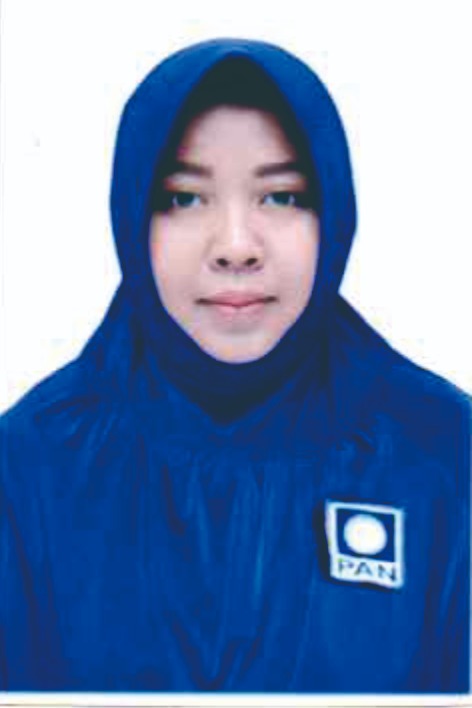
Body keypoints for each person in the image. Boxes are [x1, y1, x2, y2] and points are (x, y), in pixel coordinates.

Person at [0, 38, 469, 693]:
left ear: (333, 211)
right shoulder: (31, 465)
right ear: (131, 216)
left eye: (281, 196)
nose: (236, 246)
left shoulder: (444, 455)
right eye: (184, 199)